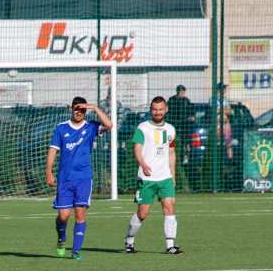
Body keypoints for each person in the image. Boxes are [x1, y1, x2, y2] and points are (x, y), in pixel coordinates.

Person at [44, 96, 113, 260]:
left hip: (83, 178)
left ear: (85, 111)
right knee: (63, 216)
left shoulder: (91, 127)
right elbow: (53, 150)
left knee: (80, 214)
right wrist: (49, 172)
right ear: (71, 109)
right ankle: (61, 239)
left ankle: (76, 251)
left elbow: (109, 125)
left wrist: (94, 108)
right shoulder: (61, 129)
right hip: (65, 178)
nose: (79, 112)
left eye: (82, 109)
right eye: (76, 108)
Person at [124, 96, 183, 255]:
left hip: (165, 178)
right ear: (151, 110)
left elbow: (171, 152)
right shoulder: (142, 128)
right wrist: (143, 164)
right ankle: (129, 240)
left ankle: (170, 245)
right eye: (155, 109)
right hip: (146, 178)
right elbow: (137, 148)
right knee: (143, 213)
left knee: (169, 206)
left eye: (161, 109)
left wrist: (173, 175)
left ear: (166, 110)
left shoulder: (171, 129)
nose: (158, 112)